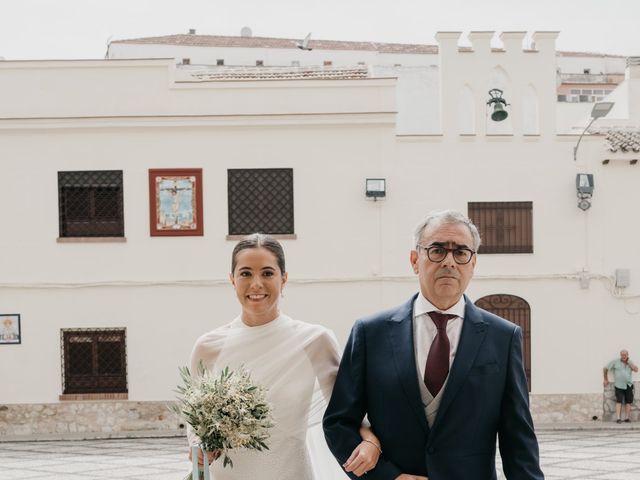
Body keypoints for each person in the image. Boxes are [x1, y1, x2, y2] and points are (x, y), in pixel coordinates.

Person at [323, 209, 544, 480]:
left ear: (473, 264)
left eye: (461, 252)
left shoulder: (503, 337)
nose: (449, 261)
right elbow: (338, 422)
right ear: (415, 260)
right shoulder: (371, 333)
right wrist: (386, 476)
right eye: (437, 250)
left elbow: (518, 439)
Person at [186, 233, 381, 479]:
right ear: (232, 280)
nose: (256, 283)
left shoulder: (315, 341)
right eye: (245, 273)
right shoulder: (208, 347)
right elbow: (194, 426)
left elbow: (347, 411)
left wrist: (371, 442)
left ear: (284, 279)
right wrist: (199, 448)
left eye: (267, 273)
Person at [603, 349, 638, 423]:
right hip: (619, 385)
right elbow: (605, 368)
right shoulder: (615, 362)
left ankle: (627, 418)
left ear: (628, 355)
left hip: (628, 385)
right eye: (622, 355)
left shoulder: (630, 363)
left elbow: (636, 370)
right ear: (620, 355)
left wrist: (629, 362)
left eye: (625, 355)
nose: (623, 356)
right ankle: (618, 418)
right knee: (619, 401)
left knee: (628, 401)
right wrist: (606, 379)